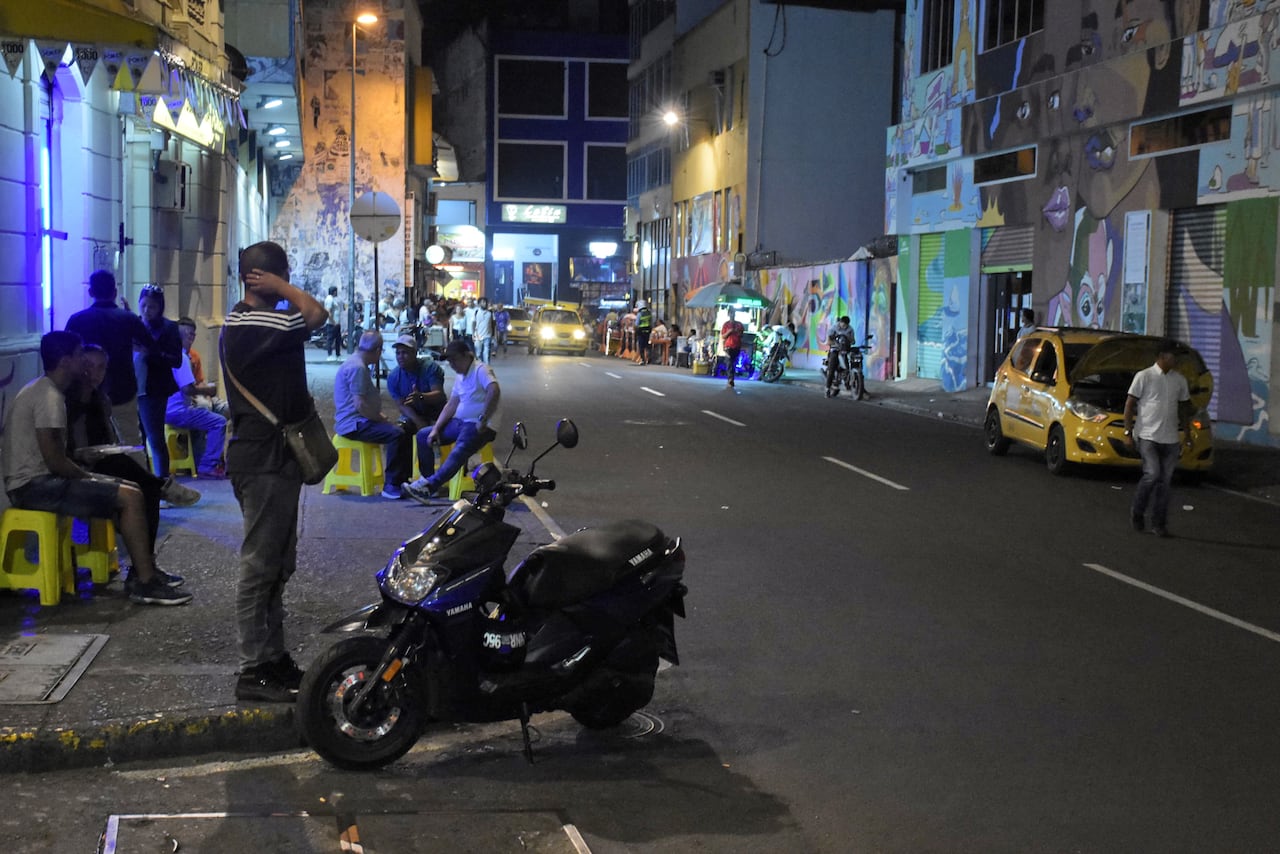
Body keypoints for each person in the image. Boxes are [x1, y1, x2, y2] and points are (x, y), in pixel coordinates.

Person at [2, 331, 192, 605]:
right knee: (131, 495)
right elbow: (54, 460)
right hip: (33, 487)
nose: (85, 362)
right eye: (80, 355)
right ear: (66, 361)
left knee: (132, 488)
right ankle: (145, 581)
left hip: (40, 481)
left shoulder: (46, 391)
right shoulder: (49, 397)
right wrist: (90, 477)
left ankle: (144, 572)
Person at [222, 240, 328, 701]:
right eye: (281, 274)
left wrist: (277, 284)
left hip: (269, 458)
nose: (286, 284)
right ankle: (254, 668)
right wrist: (284, 286)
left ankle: (273, 658)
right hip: (263, 460)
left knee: (277, 566)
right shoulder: (259, 319)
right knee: (260, 566)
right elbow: (316, 312)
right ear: (262, 277)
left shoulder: (248, 321)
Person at [68, 344, 202, 510]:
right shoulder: (68, 400)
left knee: (133, 476)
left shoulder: (100, 400)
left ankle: (157, 491)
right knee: (134, 484)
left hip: (97, 460)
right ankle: (160, 486)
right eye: (88, 366)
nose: (95, 373)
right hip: (77, 466)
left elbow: (108, 437)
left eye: (101, 367)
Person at [402, 339, 500, 504]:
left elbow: (494, 390)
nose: (452, 364)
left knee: (460, 447)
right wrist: (436, 429)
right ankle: (427, 483)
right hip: (460, 422)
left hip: (479, 425)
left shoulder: (481, 370)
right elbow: (451, 404)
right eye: (450, 361)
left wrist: (484, 418)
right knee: (423, 436)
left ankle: (429, 486)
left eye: (455, 359)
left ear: (467, 355)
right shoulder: (460, 377)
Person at [65, 269, 154, 442]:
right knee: (131, 440)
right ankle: (134, 469)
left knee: (91, 439)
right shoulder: (128, 318)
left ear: (91, 292)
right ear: (114, 292)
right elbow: (150, 346)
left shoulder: (77, 320)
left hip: (87, 390)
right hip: (123, 389)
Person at [1123, 339, 1192, 538]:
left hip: (1170, 438)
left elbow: (1184, 408)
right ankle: (1138, 511)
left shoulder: (1179, 380)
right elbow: (1129, 405)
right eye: (1173, 356)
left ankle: (1158, 523)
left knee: (1165, 482)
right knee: (1152, 474)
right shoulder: (1144, 376)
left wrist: (1187, 434)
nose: (1176, 359)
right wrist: (1128, 433)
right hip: (1148, 436)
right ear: (1162, 356)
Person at [334, 331, 414, 499]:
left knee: (403, 429)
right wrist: (379, 418)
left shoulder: (356, 363)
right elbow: (360, 404)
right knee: (396, 434)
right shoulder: (357, 368)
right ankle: (391, 485)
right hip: (354, 424)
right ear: (377, 350)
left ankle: (402, 480)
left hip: (359, 420)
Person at [166, 322, 229, 479]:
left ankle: (205, 460)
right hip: (178, 412)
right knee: (218, 422)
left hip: (169, 409)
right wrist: (209, 390)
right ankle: (208, 465)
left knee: (213, 411)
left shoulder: (173, 355)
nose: (191, 339)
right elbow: (188, 389)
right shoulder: (181, 357)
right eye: (188, 335)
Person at [135, 285, 183, 478]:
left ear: (160, 307)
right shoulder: (136, 323)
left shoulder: (169, 328)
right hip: (133, 386)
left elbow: (176, 360)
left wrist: (152, 352)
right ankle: (144, 480)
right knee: (137, 439)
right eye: (144, 305)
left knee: (155, 438)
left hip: (153, 389)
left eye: (152, 307)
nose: (147, 310)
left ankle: (162, 484)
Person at [387, 334, 447, 481]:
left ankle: (429, 480)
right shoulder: (394, 376)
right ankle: (401, 478)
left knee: (426, 435)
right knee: (399, 432)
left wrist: (421, 396)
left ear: (415, 353)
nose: (401, 356)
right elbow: (401, 405)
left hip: (437, 414)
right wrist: (418, 422)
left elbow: (439, 395)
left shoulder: (430, 368)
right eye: (398, 353)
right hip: (413, 415)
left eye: (405, 353)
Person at [177, 317, 229, 417]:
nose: (189, 338)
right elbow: (187, 389)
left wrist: (207, 393)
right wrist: (206, 391)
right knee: (205, 407)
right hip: (186, 400)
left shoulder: (194, 356)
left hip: (199, 394)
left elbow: (199, 381)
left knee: (227, 408)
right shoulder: (178, 357)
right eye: (186, 334)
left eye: (192, 334)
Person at [825, 316, 856, 398]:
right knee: (831, 368)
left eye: (846, 325)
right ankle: (827, 388)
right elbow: (828, 340)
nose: (844, 326)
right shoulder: (834, 328)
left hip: (845, 350)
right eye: (843, 324)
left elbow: (853, 340)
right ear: (840, 322)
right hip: (835, 349)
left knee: (849, 363)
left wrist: (850, 341)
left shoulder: (850, 329)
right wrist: (835, 344)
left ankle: (848, 380)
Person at [721, 313, 745, 388]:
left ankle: (732, 378)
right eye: (731, 313)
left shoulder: (739, 324)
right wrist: (729, 331)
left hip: (737, 346)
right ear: (728, 314)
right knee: (729, 362)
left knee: (733, 363)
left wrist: (736, 332)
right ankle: (730, 379)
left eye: (733, 313)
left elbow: (742, 335)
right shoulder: (726, 324)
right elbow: (723, 336)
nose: (732, 315)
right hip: (728, 346)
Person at [323, 286, 343, 361]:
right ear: (334, 291)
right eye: (336, 291)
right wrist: (333, 322)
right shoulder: (329, 299)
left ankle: (338, 355)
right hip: (332, 324)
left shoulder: (333, 299)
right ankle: (330, 355)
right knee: (330, 339)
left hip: (336, 324)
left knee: (338, 339)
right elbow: (328, 311)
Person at [473, 297, 496, 363]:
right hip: (478, 335)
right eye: (482, 302)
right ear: (479, 304)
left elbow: (493, 324)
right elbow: (473, 323)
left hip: (487, 335)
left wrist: (494, 335)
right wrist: (473, 334)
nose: (484, 303)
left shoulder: (490, 313)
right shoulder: (476, 312)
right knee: (478, 353)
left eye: (485, 302)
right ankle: (480, 366)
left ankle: (487, 367)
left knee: (486, 352)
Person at [635, 300, 654, 364]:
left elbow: (637, 324)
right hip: (648, 331)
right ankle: (649, 359)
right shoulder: (649, 312)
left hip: (641, 332)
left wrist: (635, 330)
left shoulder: (640, 313)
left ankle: (643, 360)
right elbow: (651, 322)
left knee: (641, 346)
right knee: (647, 346)